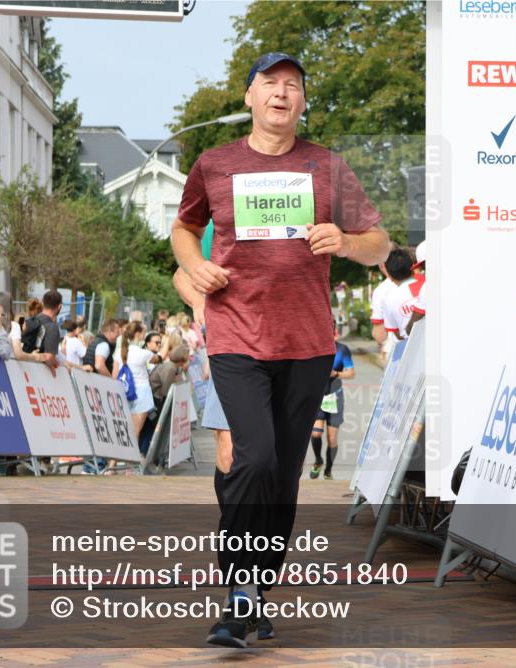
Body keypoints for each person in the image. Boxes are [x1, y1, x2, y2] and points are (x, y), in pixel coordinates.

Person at [170, 51, 389, 647]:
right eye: (270, 84)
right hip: (237, 335)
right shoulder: (214, 165)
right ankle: (239, 592)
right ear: (248, 97)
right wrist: (196, 267)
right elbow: (184, 229)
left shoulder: (328, 167)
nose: (281, 93)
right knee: (254, 457)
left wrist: (345, 239)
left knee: (285, 476)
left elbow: (379, 243)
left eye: (293, 86)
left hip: (307, 343)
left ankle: (259, 591)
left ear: (301, 101)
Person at [309, 329, 355, 480]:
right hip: (317, 397)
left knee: (332, 439)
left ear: (337, 334)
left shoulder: (342, 350)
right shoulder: (314, 348)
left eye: (333, 333)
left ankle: (328, 469)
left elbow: (351, 373)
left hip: (335, 398)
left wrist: (336, 374)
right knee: (315, 433)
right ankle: (318, 461)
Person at [114, 321, 161, 461]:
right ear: (138, 334)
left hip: (124, 390)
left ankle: (112, 465)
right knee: (135, 432)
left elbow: (114, 375)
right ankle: (131, 463)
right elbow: (158, 358)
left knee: (123, 430)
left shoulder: (119, 352)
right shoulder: (143, 353)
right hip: (141, 393)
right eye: (143, 332)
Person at [381, 247, 423, 341]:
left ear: (390, 276)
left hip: (410, 347)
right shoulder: (427, 284)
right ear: (413, 268)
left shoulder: (387, 299)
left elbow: (398, 335)